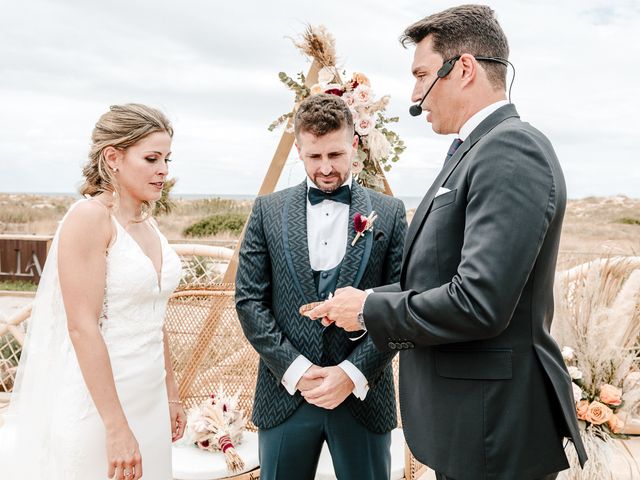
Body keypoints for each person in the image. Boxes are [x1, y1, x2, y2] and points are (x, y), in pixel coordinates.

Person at [308, 5, 588, 480]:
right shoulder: (475, 150)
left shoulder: (510, 149)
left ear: (463, 68)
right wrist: (370, 298)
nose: (415, 95)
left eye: (421, 75)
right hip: (469, 426)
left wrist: (370, 312)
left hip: (491, 430)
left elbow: (479, 302)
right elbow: (441, 277)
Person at [0, 103, 185, 480]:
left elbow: (154, 316)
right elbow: (82, 326)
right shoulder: (89, 218)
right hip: (100, 407)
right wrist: (115, 427)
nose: (163, 169)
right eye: (151, 158)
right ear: (113, 157)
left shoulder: (147, 224)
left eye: (166, 158)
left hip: (149, 399)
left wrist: (171, 393)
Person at [235, 93, 407, 480]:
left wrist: (352, 372)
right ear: (299, 150)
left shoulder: (391, 214)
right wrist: (295, 369)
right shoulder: (267, 211)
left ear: (354, 146)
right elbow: (249, 301)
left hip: (363, 394)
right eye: (314, 157)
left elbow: (401, 301)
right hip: (286, 393)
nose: (326, 168)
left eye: (335, 154)